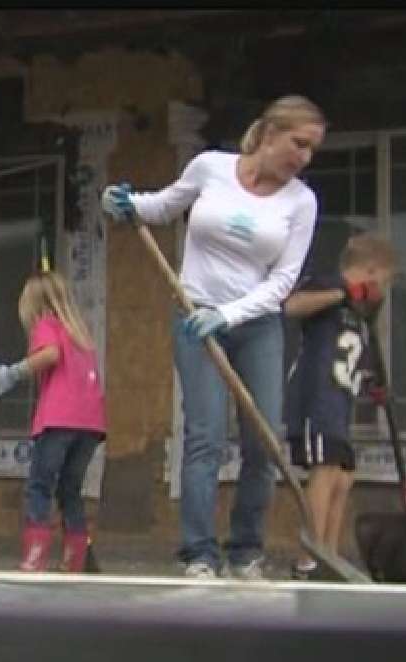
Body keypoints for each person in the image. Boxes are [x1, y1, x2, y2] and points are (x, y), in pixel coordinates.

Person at [101, 95, 325, 579]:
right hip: (194, 317)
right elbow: (163, 207)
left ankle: (245, 552)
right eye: (299, 143)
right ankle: (199, 554)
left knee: (262, 443)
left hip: (256, 326)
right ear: (268, 134)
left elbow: (282, 283)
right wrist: (125, 203)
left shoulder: (301, 202)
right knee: (202, 436)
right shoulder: (210, 169)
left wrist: (228, 315)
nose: (304, 158)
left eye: (312, 150)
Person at [284, 233, 395, 580]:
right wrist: (343, 292)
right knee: (325, 469)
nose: (384, 290)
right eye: (384, 281)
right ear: (370, 271)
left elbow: (350, 353)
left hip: (340, 401)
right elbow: (291, 305)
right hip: (315, 396)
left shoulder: (360, 314)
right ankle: (309, 558)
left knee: (343, 476)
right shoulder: (330, 286)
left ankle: (328, 555)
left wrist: (374, 381)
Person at [0, 272, 106, 573]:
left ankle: (34, 559)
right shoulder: (81, 335)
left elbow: (50, 355)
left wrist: (13, 373)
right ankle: (75, 561)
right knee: (70, 490)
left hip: (58, 421)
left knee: (39, 487)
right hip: (90, 425)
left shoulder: (47, 325)